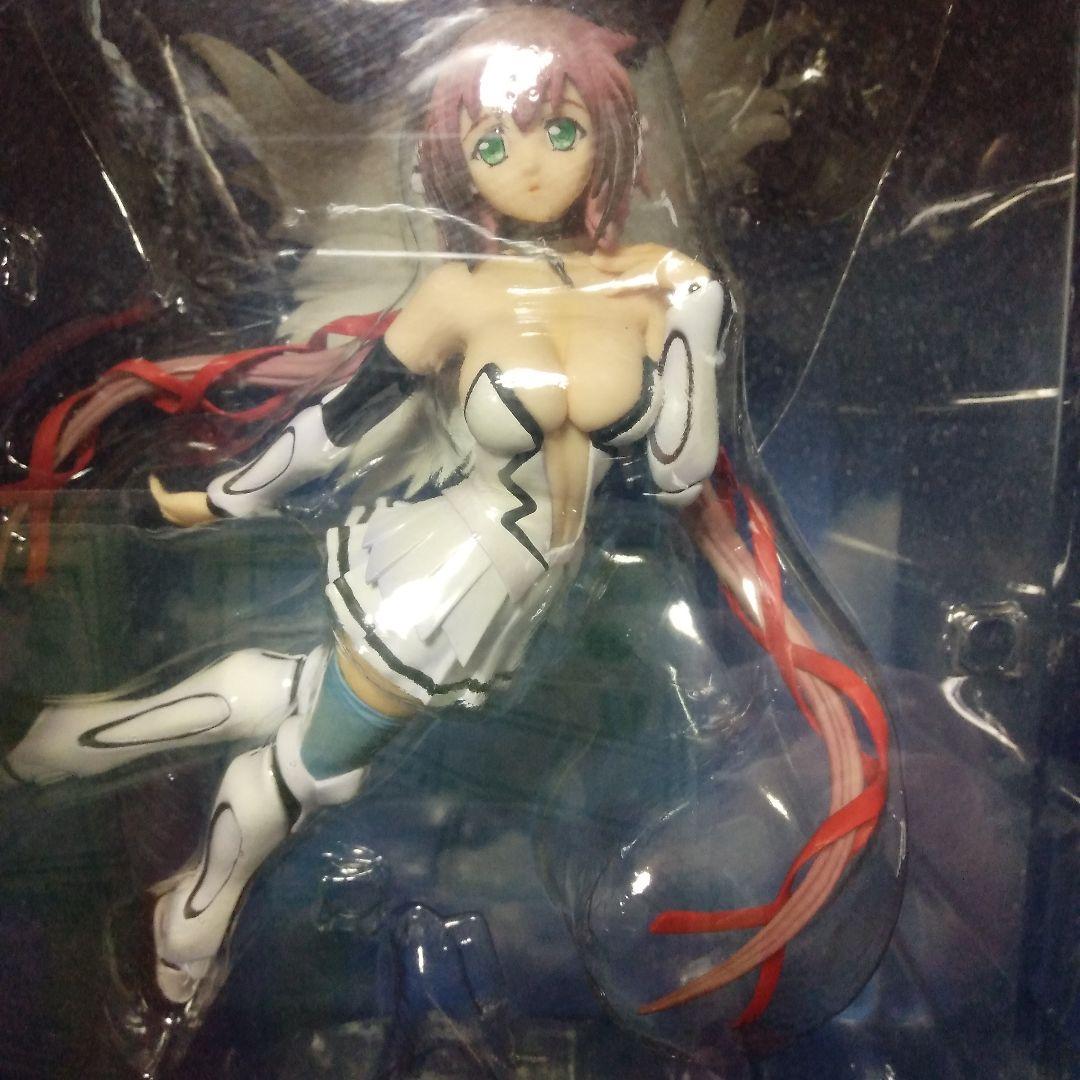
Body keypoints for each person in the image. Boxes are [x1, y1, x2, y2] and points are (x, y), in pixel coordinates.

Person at [1, 7, 889, 1028]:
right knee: (315, 765)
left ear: (608, 133)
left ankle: (71, 739)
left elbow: (681, 471)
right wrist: (232, 493)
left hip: (526, 586)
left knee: (308, 695)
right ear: (455, 159)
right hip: (448, 566)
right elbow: (344, 418)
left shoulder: (653, 287)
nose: (530, 161)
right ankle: (193, 918)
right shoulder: (460, 294)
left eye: (561, 129)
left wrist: (694, 330)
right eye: (492, 141)